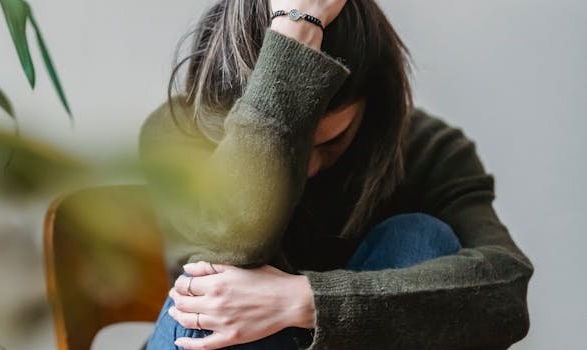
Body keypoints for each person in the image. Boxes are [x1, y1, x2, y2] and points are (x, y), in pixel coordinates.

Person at [137, 0, 534, 349]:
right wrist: (294, 34)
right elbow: (229, 246)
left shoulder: (425, 148)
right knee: (213, 293)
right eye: (296, 145)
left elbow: (504, 291)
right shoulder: (178, 132)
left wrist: (306, 301)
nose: (307, 166)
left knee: (419, 236)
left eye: (331, 142)